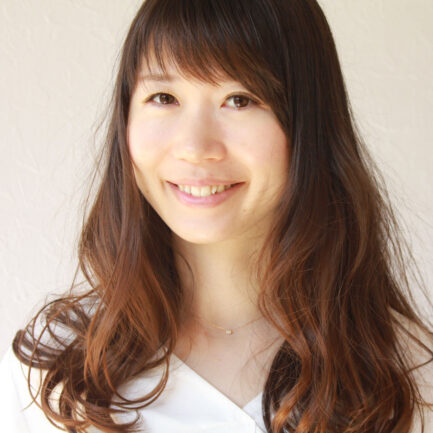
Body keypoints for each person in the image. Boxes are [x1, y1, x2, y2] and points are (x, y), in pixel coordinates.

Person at [1, 0, 432, 432]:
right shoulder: (56, 372)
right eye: (164, 97)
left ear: (310, 125)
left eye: (239, 100)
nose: (195, 146)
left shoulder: (407, 375)